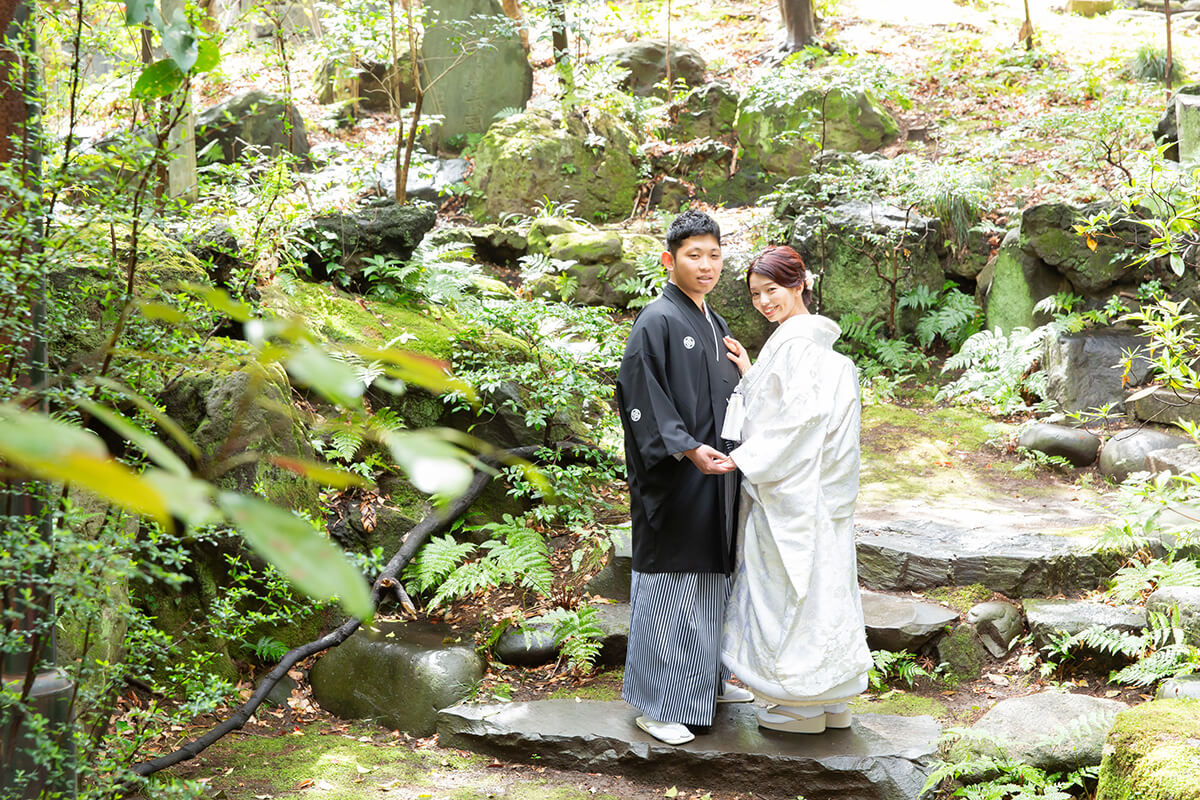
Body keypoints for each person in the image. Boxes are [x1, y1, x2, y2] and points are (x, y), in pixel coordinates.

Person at [719, 245, 872, 734]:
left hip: (792, 490)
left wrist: (742, 458)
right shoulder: (817, 347)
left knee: (789, 589)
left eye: (774, 290)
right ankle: (832, 701)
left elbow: (795, 423)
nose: (765, 302)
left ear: (800, 283)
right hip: (824, 493)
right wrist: (752, 371)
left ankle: (800, 705)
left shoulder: (797, 345)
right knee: (825, 589)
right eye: (757, 294)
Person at [615, 210, 754, 747]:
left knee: (711, 586)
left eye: (714, 255)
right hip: (675, 481)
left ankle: (705, 684)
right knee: (671, 589)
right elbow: (640, 395)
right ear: (670, 260)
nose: (706, 265)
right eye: (694, 255)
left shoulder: (715, 324)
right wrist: (687, 448)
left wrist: (747, 373)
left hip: (716, 476)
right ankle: (655, 704)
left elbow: (734, 402)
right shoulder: (657, 320)